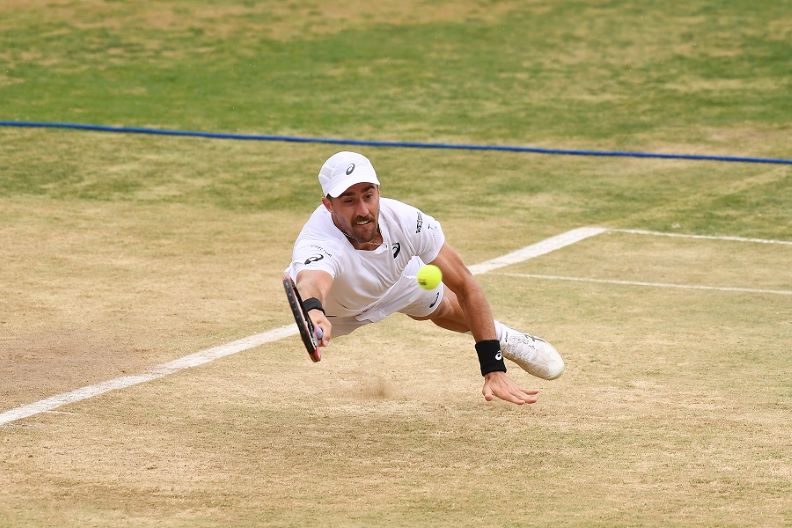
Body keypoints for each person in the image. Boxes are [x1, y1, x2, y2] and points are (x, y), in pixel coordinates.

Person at [286, 151, 565, 406]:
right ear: (328, 205)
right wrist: (314, 310)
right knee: (316, 289)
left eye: (368, 195)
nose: (363, 210)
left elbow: (466, 286)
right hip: (335, 313)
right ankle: (495, 333)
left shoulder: (408, 222)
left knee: (442, 308)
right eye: (348, 200)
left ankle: (504, 338)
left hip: (396, 279)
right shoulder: (317, 242)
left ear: (378, 192)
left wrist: (493, 367)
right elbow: (313, 279)